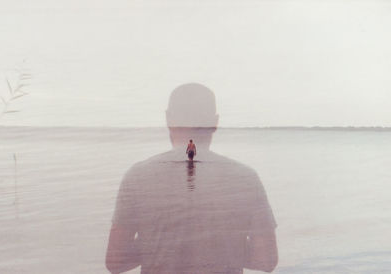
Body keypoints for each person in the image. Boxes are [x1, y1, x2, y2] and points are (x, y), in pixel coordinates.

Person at [105, 83, 278, 274]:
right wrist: (224, 242)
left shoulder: (138, 176)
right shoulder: (245, 178)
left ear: (168, 119)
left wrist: (158, 238)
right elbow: (266, 260)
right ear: (215, 122)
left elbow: (115, 262)